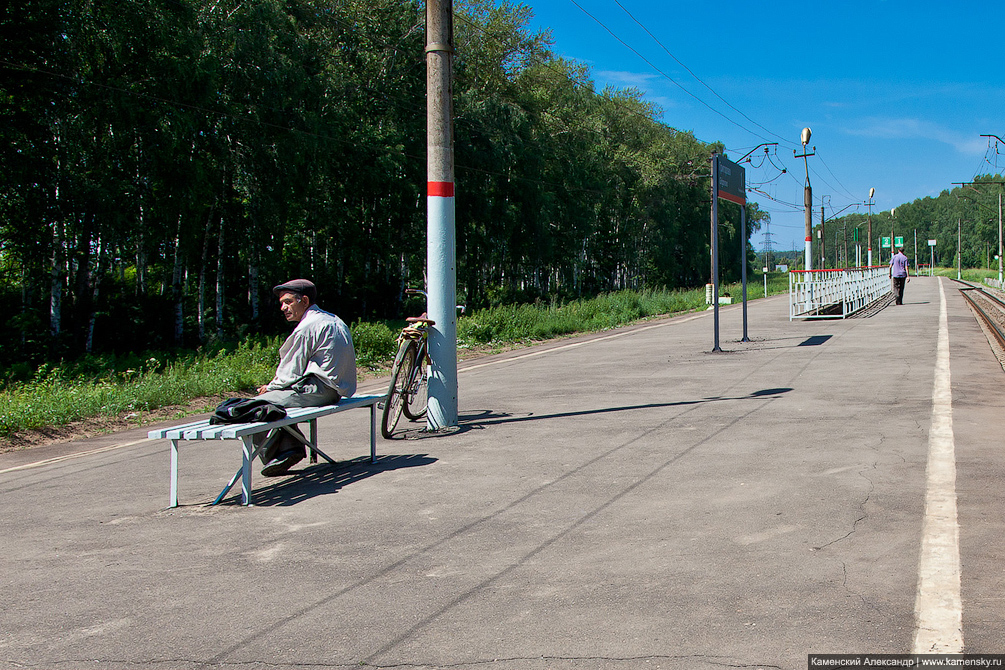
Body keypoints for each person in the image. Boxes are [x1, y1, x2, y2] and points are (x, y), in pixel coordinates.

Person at [255, 279, 356, 476]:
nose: (283, 308)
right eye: (282, 303)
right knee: (277, 401)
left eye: (288, 302)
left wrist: (271, 387)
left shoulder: (307, 327)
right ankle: (290, 446)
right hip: (335, 390)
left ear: (305, 300)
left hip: (320, 390)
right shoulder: (333, 319)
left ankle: (284, 451)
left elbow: (290, 370)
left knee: (255, 406)